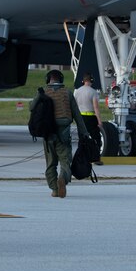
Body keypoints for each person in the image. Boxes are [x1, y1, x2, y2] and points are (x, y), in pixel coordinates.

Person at [31, 69, 88, 198]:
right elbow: (77, 116)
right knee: (65, 161)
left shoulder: (43, 92)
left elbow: (31, 107)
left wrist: (39, 95)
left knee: (50, 164)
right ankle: (63, 178)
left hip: (48, 134)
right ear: (60, 80)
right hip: (64, 134)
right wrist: (83, 133)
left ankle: (55, 189)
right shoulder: (67, 93)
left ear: (48, 80)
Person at [74, 73, 103, 165]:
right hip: (90, 117)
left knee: (82, 138)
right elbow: (96, 108)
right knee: (96, 138)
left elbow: (74, 106)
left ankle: (81, 158)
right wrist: (99, 120)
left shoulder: (77, 91)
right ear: (91, 81)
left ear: (83, 81)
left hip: (80, 117)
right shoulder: (93, 92)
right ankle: (95, 158)